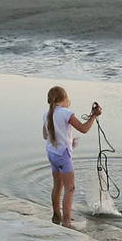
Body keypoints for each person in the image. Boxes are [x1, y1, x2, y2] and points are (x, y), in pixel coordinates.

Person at [42, 86, 101, 228]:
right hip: (63, 155)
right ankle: (67, 222)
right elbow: (84, 128)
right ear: (65, 98)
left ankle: (57, 216)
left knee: (57, 184)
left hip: (52, 153)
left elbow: (46, 136)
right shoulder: (66, 113)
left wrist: (68, 141)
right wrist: (94, 115)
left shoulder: (46, 113)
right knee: (70, 188)